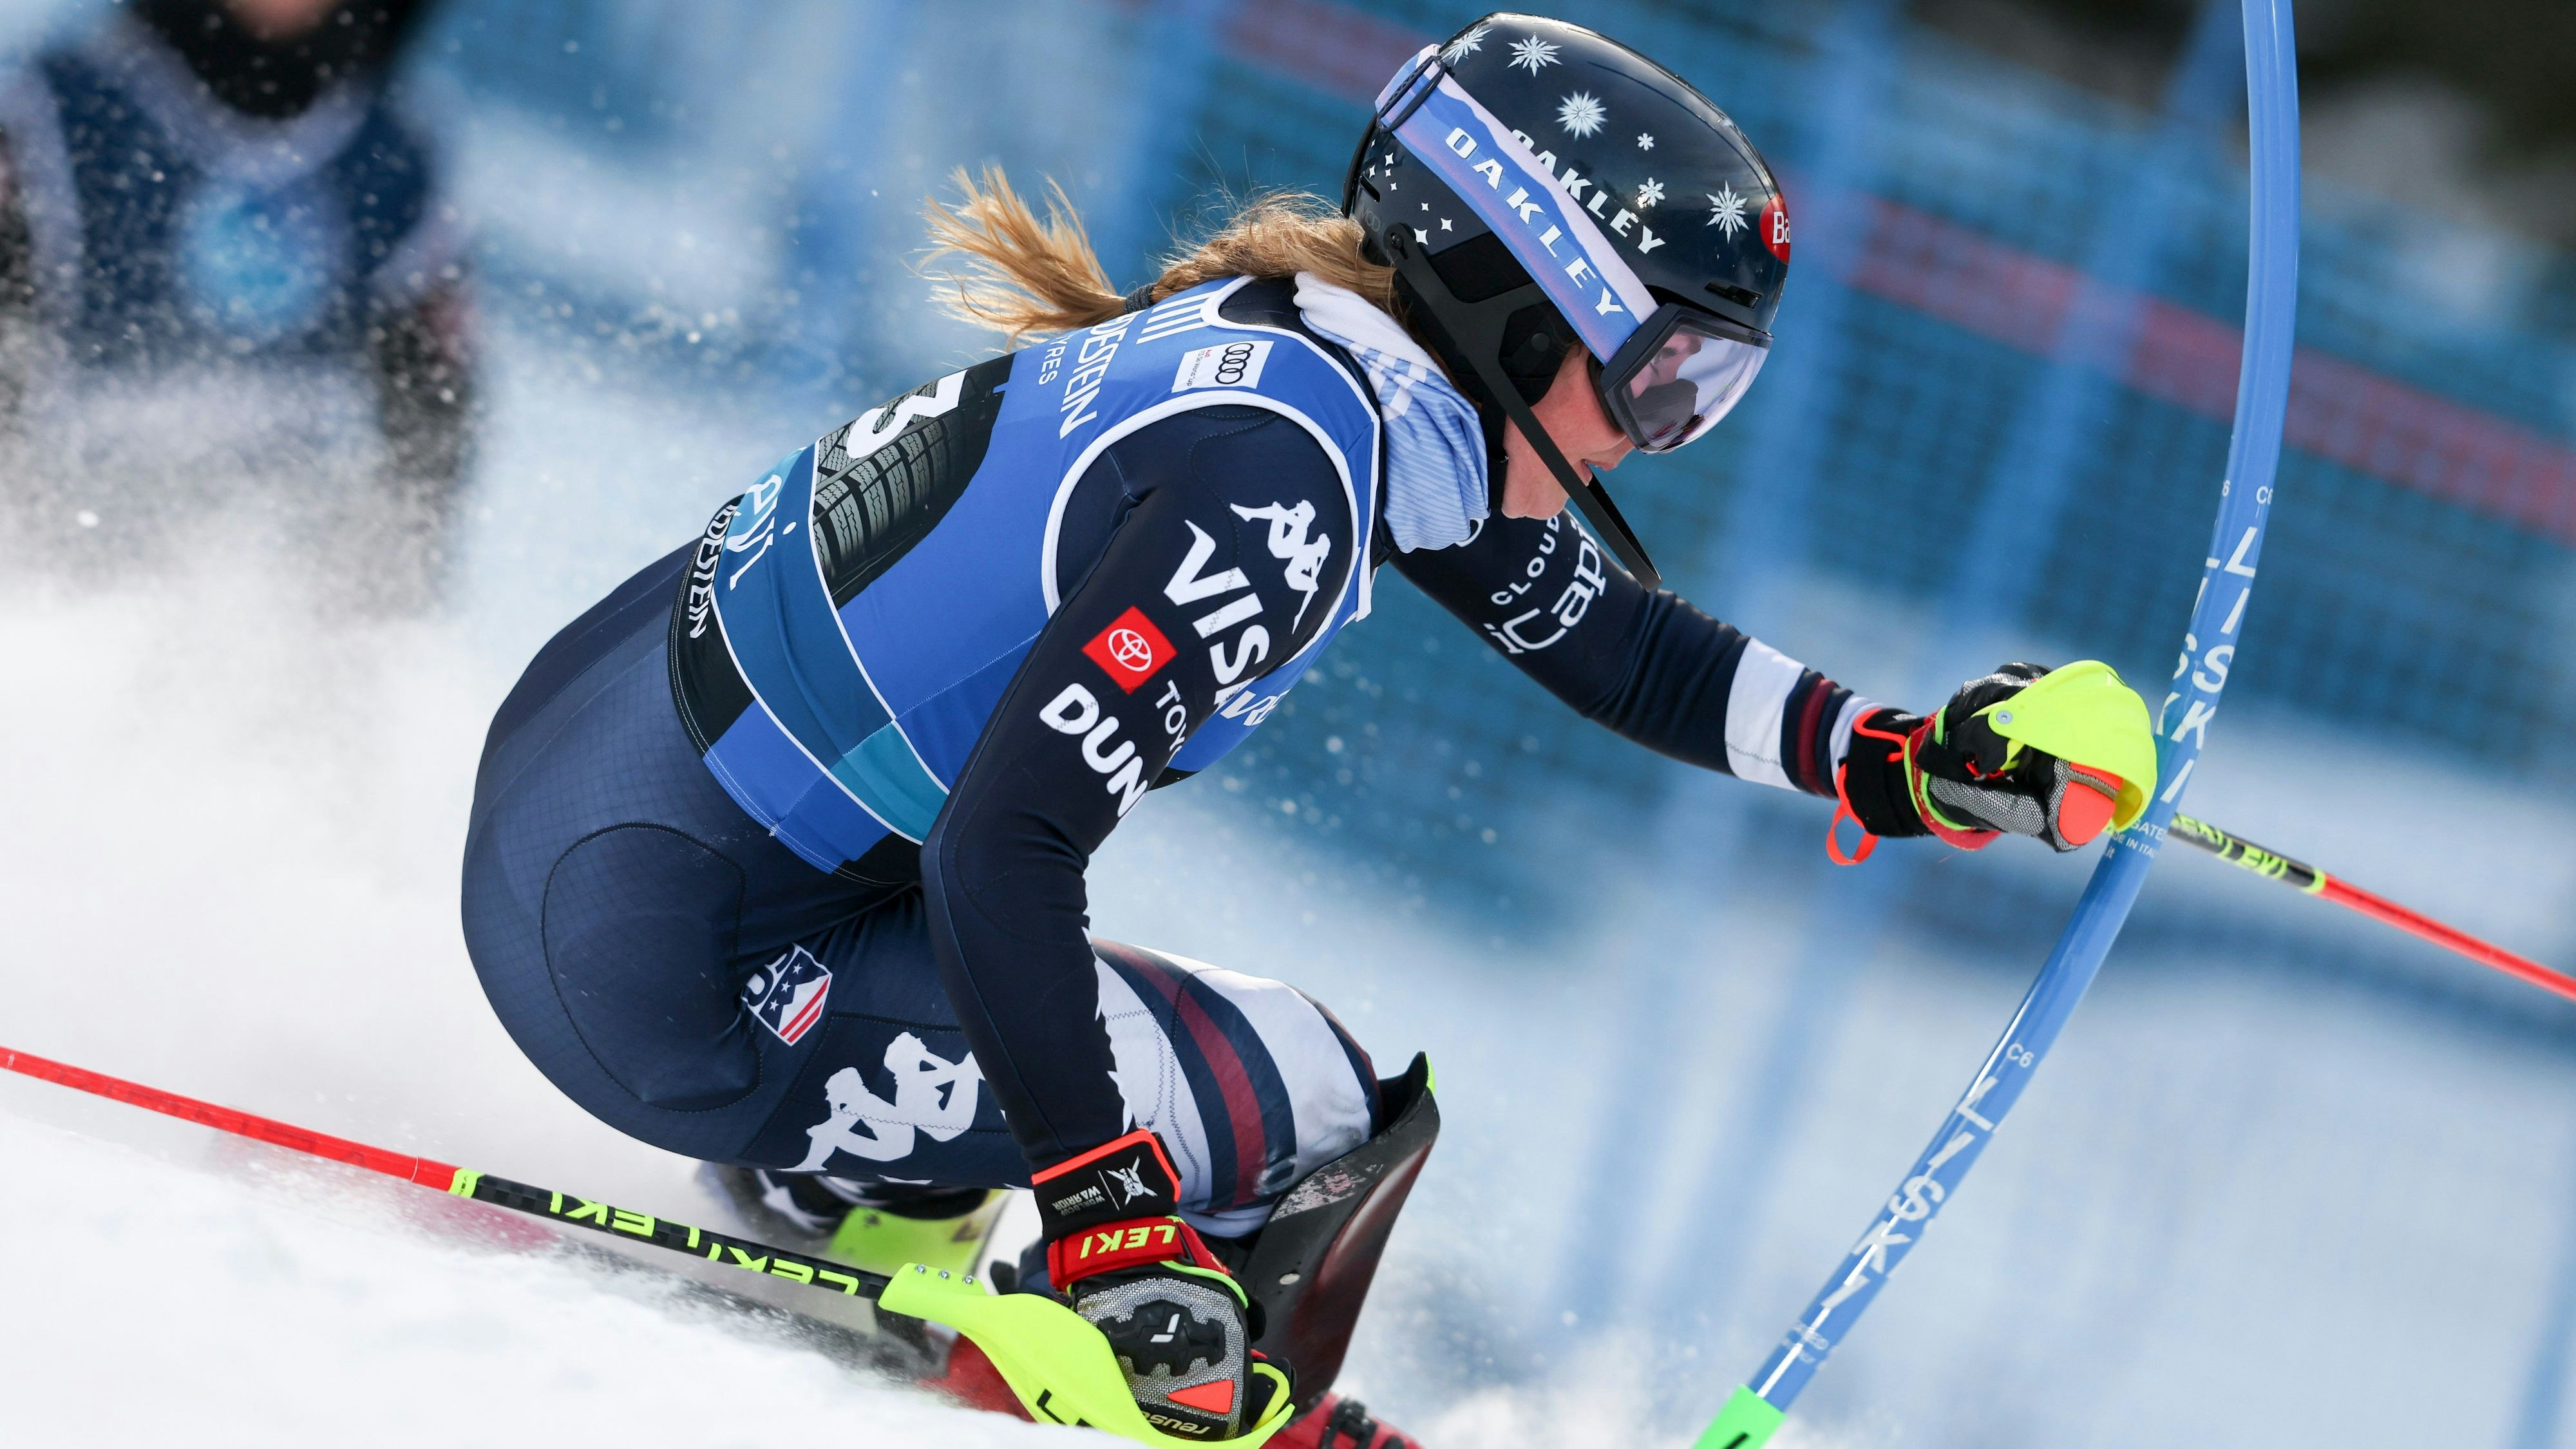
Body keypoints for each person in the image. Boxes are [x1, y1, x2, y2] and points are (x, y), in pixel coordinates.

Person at [459, 14, 2152, 1446]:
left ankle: (866, 1218)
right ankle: (1171, 1393)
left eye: (1710, 396)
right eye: (1662, 381)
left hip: (585, 845)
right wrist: (1117, 1222)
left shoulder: (1314, 376)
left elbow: (1618, 647)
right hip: (670, 976)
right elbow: (1004, 847)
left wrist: (1897, 761)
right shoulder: (1286, 482)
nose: (1664, 436)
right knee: (1324, 1112)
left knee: (1133, 1050)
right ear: (1515, 300)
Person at [0, 0, 469, 605]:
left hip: (272, 611)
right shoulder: (48, 117)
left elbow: (427, 447)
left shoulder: (399, 159)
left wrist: (369, 622)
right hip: (66, 593)